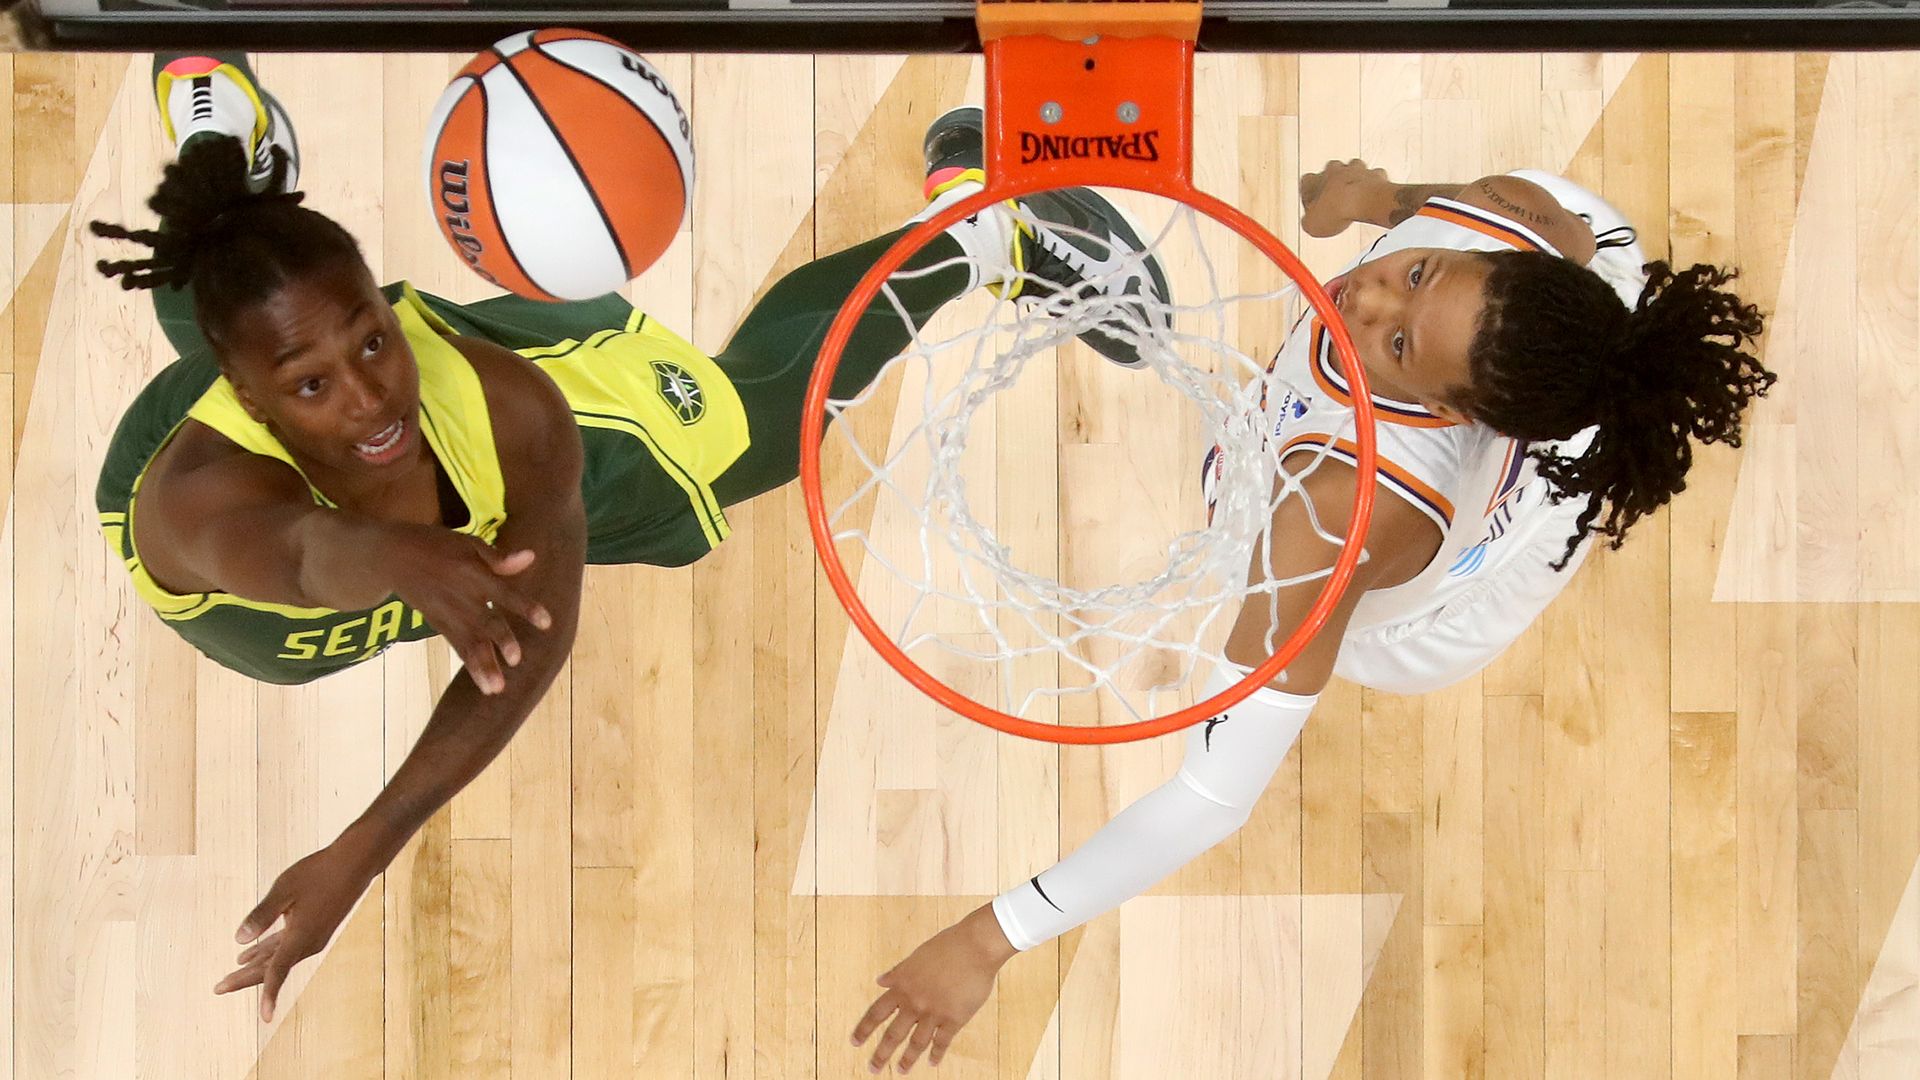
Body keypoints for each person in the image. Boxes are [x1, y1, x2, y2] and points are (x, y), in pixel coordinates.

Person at [92, 59, 1168, 1023]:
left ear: (393, 309)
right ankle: (229, 162)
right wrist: (390, 570)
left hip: (431, 482)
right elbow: (296, 555)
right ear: (247, 402)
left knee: (748, 428)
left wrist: (365, 836)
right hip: (264, 517)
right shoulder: (196, 508)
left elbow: (533, 636)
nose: (373, 397)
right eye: (316, 385)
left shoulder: (507, 407)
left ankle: (984, 229)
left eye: (377, 339)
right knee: (266, 317)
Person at [852, 158, 1775, 1074]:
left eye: (1399, 344)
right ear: (1484, 253)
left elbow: (1212, 798)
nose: (1367, 299)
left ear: (1450, 407)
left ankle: (1568, 458)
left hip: (1431, 616)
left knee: (1348, 573)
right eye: (1416, 272)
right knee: (1568, 208)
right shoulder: (1511, 217)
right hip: (1562, 267)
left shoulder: (1333, 519)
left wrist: (987, 939)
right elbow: (1511, 228)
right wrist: (1379, 203)